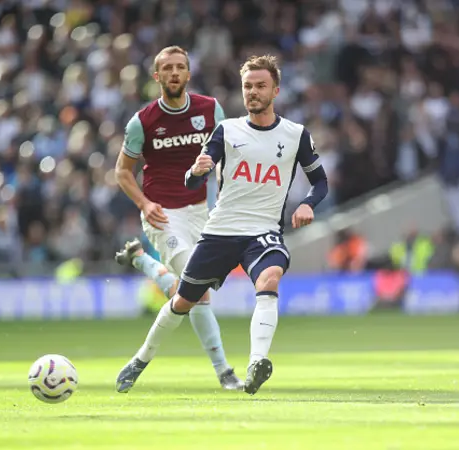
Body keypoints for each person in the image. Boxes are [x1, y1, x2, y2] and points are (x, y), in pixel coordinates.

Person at [115, 54, 328, 395]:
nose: (253, 92)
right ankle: (140, 359)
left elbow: (321, 184)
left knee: (269, 277)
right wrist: (197, 170)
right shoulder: (227, 130)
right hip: (220, 230)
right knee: (184, 300)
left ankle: (256, 363)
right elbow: (190, 179)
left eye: (260, 86)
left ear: (276, 89)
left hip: (263, 232)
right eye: (247, 87)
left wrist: (306, 204)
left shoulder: (295, 135)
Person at [113, 46, 242, 390]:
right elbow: (123, 172)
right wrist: (143, 204)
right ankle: (222, 371)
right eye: (166, 68)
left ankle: (142, 262)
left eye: (179, 67)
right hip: (162, 213)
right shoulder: (142, 122)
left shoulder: (210, 109)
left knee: (186, 291)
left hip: (202, 212)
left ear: (188, 74)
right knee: (197, 290)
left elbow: (228, 153)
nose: (173, 73)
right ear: (157, 77)